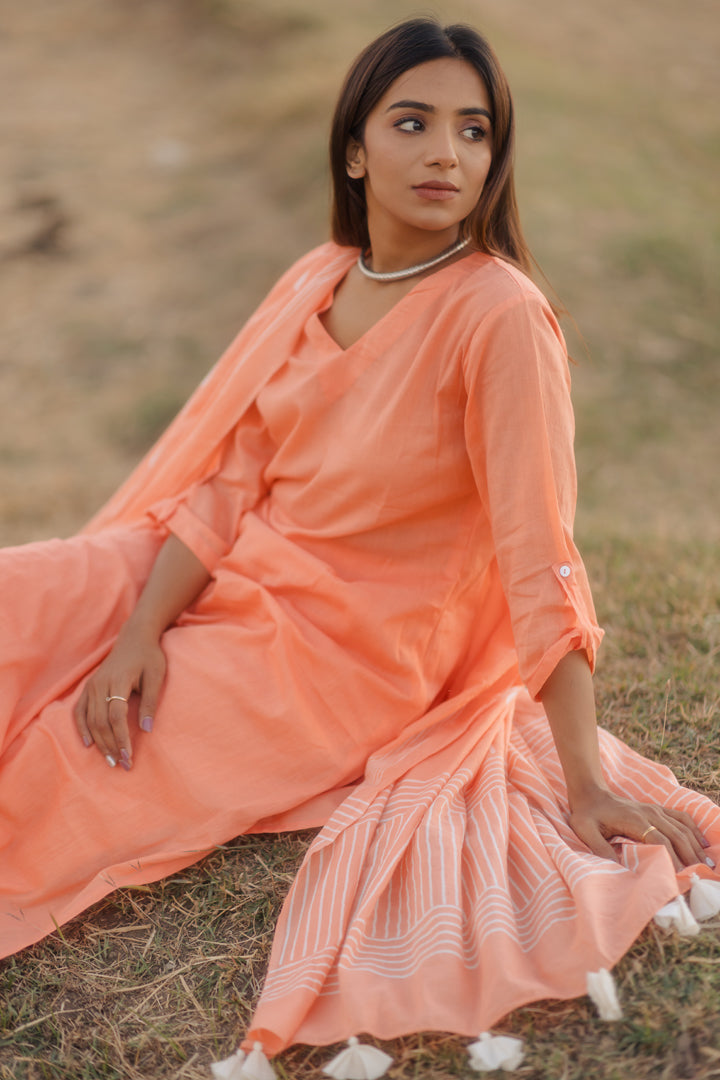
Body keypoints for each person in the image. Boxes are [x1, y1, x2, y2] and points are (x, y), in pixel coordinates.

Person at [1, 16, 717, 1067]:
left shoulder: (499, 317)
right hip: (219, 565)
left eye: (474, 130)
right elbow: (230, 483)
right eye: (412, 122)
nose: (446, 154)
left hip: (336, 653)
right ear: (353, 149)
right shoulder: (321, 276)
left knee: (64, 771)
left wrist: (584, 780)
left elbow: (539, 553)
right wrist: (140, 629)